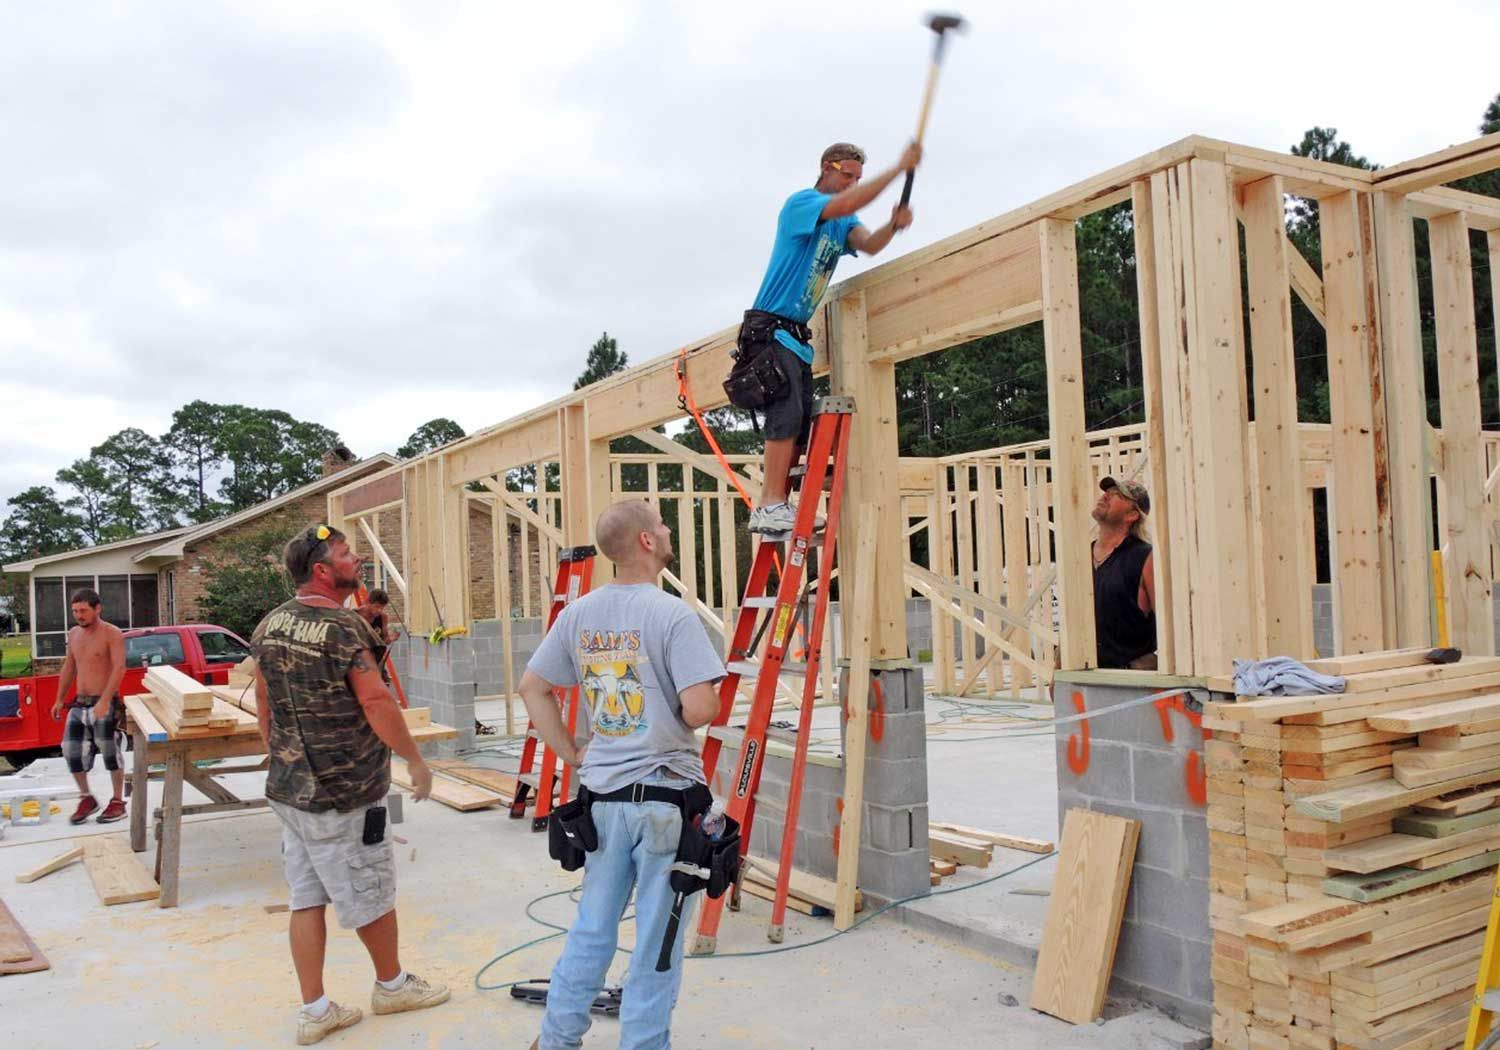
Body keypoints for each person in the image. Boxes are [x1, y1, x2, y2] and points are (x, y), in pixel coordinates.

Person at [519, 500, 725, 1050]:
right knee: (657, 942)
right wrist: (678, 713)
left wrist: (572, 752)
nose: (667, 529)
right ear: (646, 543)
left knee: (592, 930)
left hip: (604, 801)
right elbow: (701, 708)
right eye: (660, 524)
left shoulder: (578, 615)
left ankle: (557, 1039)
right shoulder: (672, 615)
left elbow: (532, 688)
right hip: (666, 803)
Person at [251, 524, 449, 1045]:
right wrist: (416, 761)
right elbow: (378, 702)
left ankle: (316, 1010)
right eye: (345, 554)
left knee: (306, 896)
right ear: (321, 570)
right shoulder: (342, 629)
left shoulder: (269, 625)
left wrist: (283, 756)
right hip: (346, 791)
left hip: (292, 791)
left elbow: (264, 704)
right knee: (370, 890)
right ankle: (393, 985)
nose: (356, 558)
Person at [744, 140, 922, 535]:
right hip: (770, 326)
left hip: (793, 334)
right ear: (827, 166)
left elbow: (870, 245)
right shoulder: (802, 204)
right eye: (847, 175)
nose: (851, 184)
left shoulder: (843, 223)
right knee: (784, 415)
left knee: (799, 422)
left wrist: (893, 225)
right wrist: (898, 168)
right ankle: (770, 503)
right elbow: (842, 205)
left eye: (856, 178)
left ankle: (781, 507)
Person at [50, 588, 128, 824]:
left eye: (83, 610)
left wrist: (105, 700)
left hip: (103, 702)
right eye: (75, 611)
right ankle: (87, 797)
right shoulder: (74, 634)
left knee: (110, 752)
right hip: (79, 703)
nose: (78, 615)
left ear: (97, 608)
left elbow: (119, 668)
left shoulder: (111, 634)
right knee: (70, 750)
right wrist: (59, 699)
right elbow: (69, 667)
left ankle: (117, 801)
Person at [1091, 477, 1157, 670]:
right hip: (1087, 678)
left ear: (1132, 515)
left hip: (1130, 678)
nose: (1105, 496)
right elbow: (1072, 621)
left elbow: (1167, 623)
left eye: (1116, 495)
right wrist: (1059, 667)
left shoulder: (1145, 557)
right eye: (1107, 492)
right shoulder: (1080, 558)